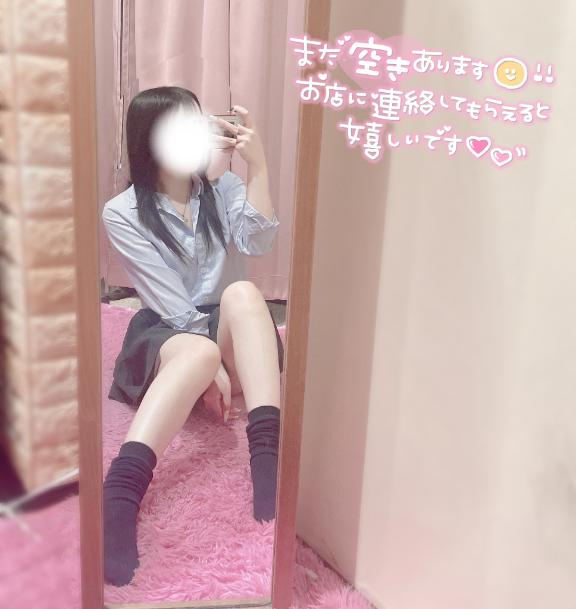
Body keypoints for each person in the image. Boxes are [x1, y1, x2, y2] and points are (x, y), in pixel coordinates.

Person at [100, 86, 284, 587]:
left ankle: (267, 459)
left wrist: (259, 168)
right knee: (199, 350)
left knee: (243, 292)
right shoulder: (122, 211)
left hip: (227, 326)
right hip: (168, 331)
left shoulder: (221, 190)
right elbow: (170, 302)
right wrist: (214, 365)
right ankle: (120, 492)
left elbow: (258, 242)